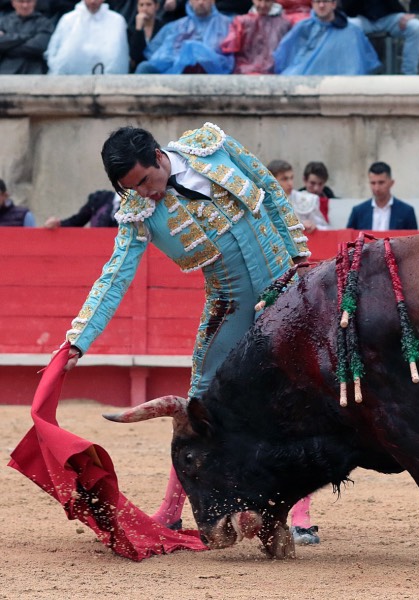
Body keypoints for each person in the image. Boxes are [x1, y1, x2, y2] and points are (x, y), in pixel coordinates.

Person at [60, 123, 310, 531]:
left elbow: (267, 186)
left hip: (286, 290)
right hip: (229, 305)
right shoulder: (139, 215)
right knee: (197, 408)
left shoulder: (211, 147)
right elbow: (114, 277)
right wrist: (78, 340)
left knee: (297, 397)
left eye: (144, 181)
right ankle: (171, 512)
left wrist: (299, 255)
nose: (144, 193)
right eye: (132, 189)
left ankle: (299, 516)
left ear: (158, 156)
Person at [274, 0, 379, 75]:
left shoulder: (352, 31)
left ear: (333, 4)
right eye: (317, 2)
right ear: (312, 4)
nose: (321, 5)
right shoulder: (303, 27)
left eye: (325, 1)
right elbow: (284, 56)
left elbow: (360, 63)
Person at [134, 0, 234, 74]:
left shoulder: (227, 24)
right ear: (190, 1)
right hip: (175, 73)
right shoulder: (176, 27)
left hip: (214, 74)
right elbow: (154, 54)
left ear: (213, 1)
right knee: (144, 68)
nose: (200, 2)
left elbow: (231, 58)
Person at [45, 0, 129, 74]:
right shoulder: (68, 20)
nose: (93, 1)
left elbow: (118, 59)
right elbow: (54, 52)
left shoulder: (116, 21)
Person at [342, 0, 419, 75]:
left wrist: (414, 10)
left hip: (389, 16)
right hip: (361, 18)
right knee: (345, 28)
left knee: (415, 27)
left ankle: (409, 76)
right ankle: (351, 75)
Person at [220, 0, 292, 74]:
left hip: (273, 74)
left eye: (267, 1)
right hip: (245, 73)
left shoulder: (284, 24)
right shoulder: (241, 22)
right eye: (259, 0)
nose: (263, 5)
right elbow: (229, 49)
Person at [346, 162, 418, 231]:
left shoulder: (406, 212)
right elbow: (348, 240)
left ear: (391, 183)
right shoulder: (358, 212)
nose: (377, 188)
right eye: (373, 183)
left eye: (381, 183)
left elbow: (414, 241)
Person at [267, 159, 329, 232]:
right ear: (272, 180)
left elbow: (326, 229)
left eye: (291, 178)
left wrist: (314, 227)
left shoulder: (308, 200)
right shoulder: (262, 202)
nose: (290, 183)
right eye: (284, 179)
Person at [0, 0, 55, 74]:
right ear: (13, 3)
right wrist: (28, 36)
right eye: (21, 1)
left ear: (34, 2)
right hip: (5, 72)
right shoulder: (3, 22)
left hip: (34, 72)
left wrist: (7, 45)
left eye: (28, 1)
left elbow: (39, 46)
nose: (25, 5)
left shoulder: (45, 23)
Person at [43, 190, 119, 228]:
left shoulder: (130, 207)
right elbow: (78, 221)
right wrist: (59, 224)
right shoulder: (100, 199)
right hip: (96, 251)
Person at [127, 0, 162, 72]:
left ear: (157, 6)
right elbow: (134, 57)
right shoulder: (131, 29)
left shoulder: (163, 27)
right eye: (141, 5)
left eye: (148, 5)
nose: (144, 9)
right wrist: (138, 29)